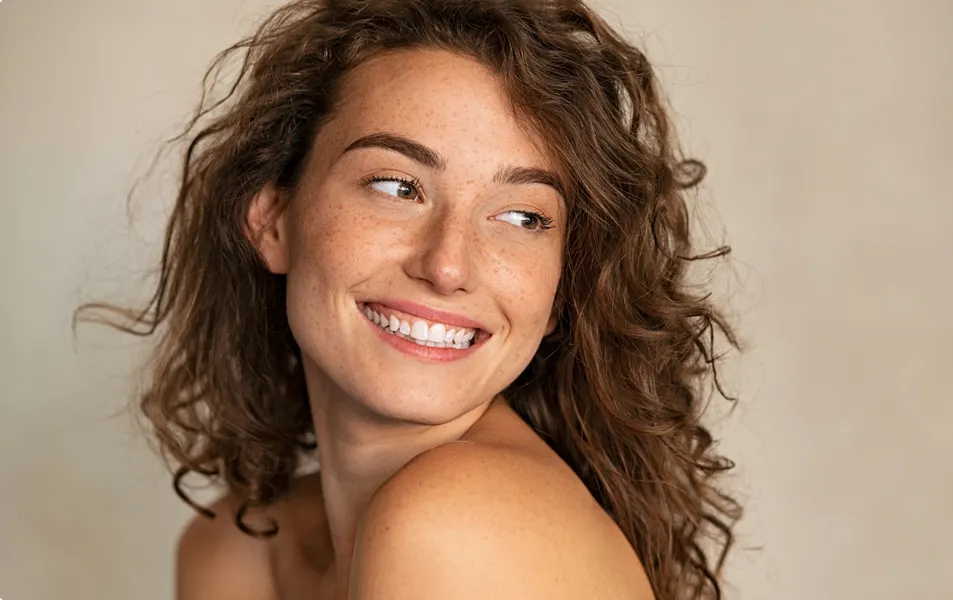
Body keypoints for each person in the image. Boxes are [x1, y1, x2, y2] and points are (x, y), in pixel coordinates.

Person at [81, 0, 741, 598]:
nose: (447, 266)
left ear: (561, 289)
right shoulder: (235, 546)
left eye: (522, 217)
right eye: (397, 187)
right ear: (273, 220)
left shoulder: (456, 525)